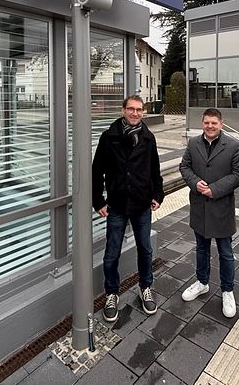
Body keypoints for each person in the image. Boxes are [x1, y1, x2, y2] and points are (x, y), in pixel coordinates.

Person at [92, 95, 164, 323]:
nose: (135, 113)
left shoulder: (148, 138)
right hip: (117, 205)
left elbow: (155, 170)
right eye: (131, 109)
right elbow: (96, 172)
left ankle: (146, 287)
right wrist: (98, 201)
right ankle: (112, 293)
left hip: (142, 204)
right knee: (111, 253)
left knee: (145, 249)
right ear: (123, 111)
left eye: (139, 110)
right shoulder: (109, 137)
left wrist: (157, 194)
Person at [179, 108, 239, 317]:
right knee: (201, 249)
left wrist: (214, 189)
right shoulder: (193, 143)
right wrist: (195, 182)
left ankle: (227, 290)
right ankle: (202, 282)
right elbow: (185, 167)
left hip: (221, 208)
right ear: (202, 123)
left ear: (221, 123)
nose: (210, 126)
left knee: (226, 252)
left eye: (214, 123)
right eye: (207, 123)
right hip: (200, 207)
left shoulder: (233, 145)